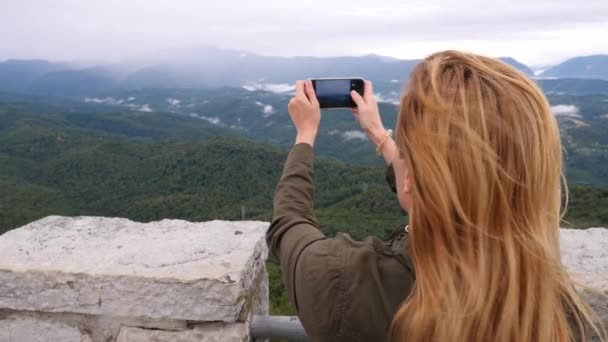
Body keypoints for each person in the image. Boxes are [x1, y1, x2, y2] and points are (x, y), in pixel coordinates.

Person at [266, 50, 606, 342]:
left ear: (411, 176)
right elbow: (451, 190)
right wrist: (380, 136)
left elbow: (289, 224)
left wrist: (305, 135)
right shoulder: (570, 315)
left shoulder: (344, 283)